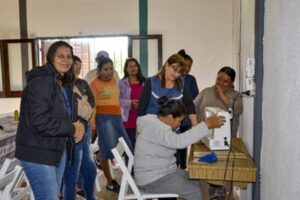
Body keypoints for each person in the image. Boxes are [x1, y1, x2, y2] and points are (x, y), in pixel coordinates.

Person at [15, 41, 85, 200]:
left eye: (69, 56)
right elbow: (40, 121)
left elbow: (63, 114)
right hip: (38, 151)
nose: (66, 60)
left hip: (54, 148)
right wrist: (73, 129)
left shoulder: (59, 81)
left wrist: (79, 125)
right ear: (50, 57)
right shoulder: (42, 81)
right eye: (60, 56)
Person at [134, 96, 225, 200]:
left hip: (162, 172)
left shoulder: (151, 120)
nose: (179, 125)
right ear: (170, 116)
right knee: (195, 193)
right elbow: (179, 142)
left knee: (198, 181)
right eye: (179, 121)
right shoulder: (158, 129)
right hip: (152, 180)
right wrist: (206, 125)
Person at [89, 56, 132, 193]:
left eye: (111, 69)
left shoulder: (116, 81)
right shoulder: (94, 84)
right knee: (107, 151)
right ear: (99, 70)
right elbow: (91, 106)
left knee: (127, 147)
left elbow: (120, 100)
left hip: (117, 118)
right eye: (105, 69)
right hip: (104, 119)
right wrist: (93, 126)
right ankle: (110, 182)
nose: (109, 72)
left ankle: (129, 176)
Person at [63, 56, 97, 200]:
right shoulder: (62, 86)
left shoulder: (82, 83)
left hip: (84, 129)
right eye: (74, 67)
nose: (77, 70)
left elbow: (91, 102)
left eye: (79, 67)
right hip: (72, 134)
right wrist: (82, 104)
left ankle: (90, 197)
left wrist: (83, 106)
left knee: (90, 171)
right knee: (72, 175)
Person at [138, 53, 197, 127]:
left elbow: (189, 104)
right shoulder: (151, 82)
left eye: (179, 72)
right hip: (152, 128)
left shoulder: (181, 83)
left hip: (172, 131)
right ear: (167, 65)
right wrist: (139, 130)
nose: (176, 74)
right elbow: (141, 109)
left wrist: (195, 125)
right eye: (175, 69)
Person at [194, 66, 243, 138]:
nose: (220, 83)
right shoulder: (206, 91)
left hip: (226, 139)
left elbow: (237, 111)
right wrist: (196, 126)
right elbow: (193, 108)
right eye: (219, 79)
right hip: (202, 137)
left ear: (232, 82)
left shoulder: (236, 95)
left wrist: (222, 94)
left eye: (225, 81)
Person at [176, 49, 200, 169]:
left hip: (186, 118)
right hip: (174, 117)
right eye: (187, 66)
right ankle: (174, 166)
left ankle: (183, 167)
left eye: (190, 66)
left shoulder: (191, 79)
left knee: (183, 143)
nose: (189, 68)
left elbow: (195, 96)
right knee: (173, 143)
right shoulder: (173, 78)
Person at [119, 58, 146, 150]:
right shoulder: (121, 83)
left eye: (135, 66)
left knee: (141, 149)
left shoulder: (145, 83)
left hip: (142, 121)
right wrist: (130, 103)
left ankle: (140, 165)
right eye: (130, 66)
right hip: (127, 121)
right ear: (126, 69)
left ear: (138, 68)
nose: (133, 68)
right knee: (129, 148)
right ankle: (129, 165)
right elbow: (116, 101)